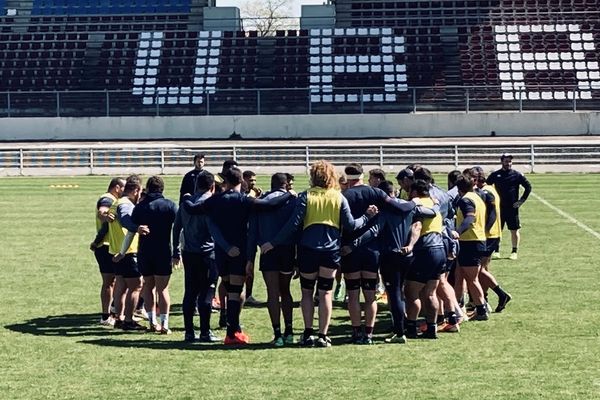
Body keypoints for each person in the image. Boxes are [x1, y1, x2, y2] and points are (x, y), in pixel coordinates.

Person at [261, 160, 377, 348]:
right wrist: (367, 216)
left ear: (313, 176)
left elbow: (293, 225)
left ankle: (307, 333)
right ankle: (323, 334)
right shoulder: (338, 197)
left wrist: (273, 242)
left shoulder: (305, 196)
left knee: (307, 292)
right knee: (326, 293)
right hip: (330, 251)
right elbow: (350, 225)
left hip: (308, 249)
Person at [183, 167, 294, 345]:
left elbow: (193, 209)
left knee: (228, 289)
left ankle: (232, 330)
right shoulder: (244, 200)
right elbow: (269, 205)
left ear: (225, 182)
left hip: (220, 251)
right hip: (240, 250)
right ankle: (232, 333)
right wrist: (289, 194)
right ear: (241, 181)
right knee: (235, 292)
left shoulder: (215, 200)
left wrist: (186, 197)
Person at [340, 163, 417, 344]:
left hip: (349, 249)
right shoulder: (375, 193)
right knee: (370, 294)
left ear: (347, 177)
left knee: (352, 294)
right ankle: (368, 334)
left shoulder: (343, 196)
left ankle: (356, 331)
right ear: (362, 175)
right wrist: (414, 202)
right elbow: (400, 208)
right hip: (372, 250)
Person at [246, 173, 296, 346]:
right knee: (286, 291)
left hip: (267, 251)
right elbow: (296, 228)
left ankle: (277, 334)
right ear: (285, 185)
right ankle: (290, 331)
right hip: (288, 250)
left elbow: (252, 233)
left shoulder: (261, 201)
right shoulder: (292, 200)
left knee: (272, 293)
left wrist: (250, 259)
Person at [173, 172, 221, 342]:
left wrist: (175, 250)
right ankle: (205, 332)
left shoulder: (186, 203)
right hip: (209, 253)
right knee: (207, 292)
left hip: (189, 253)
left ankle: (189, 332)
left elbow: (176, 227)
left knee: (190, 292)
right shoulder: (212, 204)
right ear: (212, 186)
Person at [126, 176, 178, 334]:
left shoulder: (141, 206)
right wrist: (177, 251)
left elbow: (131, 227)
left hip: (144, 251)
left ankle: (152, 321)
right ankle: (165, 324)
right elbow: (179, 228)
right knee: (163, 289)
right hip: (163, 250)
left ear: (147, 189)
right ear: (162, 189)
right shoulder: (169, 205)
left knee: (149, 287)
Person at [404, 179, 447, 339]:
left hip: (425, 250)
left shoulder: (417, 204)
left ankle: (411, 327)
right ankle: (432, 327)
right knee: (430, 292)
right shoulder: (433, 202)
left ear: (415, 191)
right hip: (440, 249)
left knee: (411, 291)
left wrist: (410, 245)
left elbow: (417, 227)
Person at [108, 175, 146, 331]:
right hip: (128, 251)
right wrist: (136, 228)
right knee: (136, 285)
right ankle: (129, 321)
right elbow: (125, 220)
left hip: (116, 250)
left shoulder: (116, 202)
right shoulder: (125, 204)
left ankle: (119, 318)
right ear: (136, 190)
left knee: (121, 286)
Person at [472, 167, 513, 313]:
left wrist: (484, 231)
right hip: (493, 234)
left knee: (478, 269)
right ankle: (484, 297)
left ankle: (500, 294)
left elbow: (492, 215)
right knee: (483, 268)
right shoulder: (491, 188)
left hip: (489, 235)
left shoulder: (486, 192)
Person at [451, 174, 489, 321]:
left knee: (472, 279)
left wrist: (457, 232)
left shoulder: (466, 200)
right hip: (476, 239)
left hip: (470, 241)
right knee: (459, 274)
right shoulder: (477, 197)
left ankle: (481, 309)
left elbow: (469, 217)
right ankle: (456, 306)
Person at [90, 177, 125, 326]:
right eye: (123, 188)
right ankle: (107, 316)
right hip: (106, 247)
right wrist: (105, 215)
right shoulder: (108, 198)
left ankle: (112, 312)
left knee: (115, 281)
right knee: (110, 282)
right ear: (117, 187)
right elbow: (102, 211)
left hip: (109, 246)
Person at [486, 153, 532, 260]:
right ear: (502, 162)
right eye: (506, 161)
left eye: (510, 161)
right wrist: (490, 201)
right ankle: (496, 251)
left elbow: (528, 187)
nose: (508, 163)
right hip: (498, 208)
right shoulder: (495, 175)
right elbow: (486, 187)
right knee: (497, 230)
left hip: (512, 208)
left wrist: (521, 201)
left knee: (514, 230)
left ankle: (514, 251)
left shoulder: (517, 175)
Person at [242, 169, 263, 305]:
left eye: (254, 180)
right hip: (241, 236)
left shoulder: (254, 193)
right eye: (250, 180)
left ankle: (248, 294)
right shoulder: (242, 195)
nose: (253, 183)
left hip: (252, 235)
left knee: (251, 266)